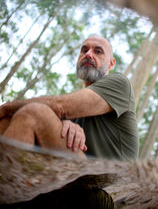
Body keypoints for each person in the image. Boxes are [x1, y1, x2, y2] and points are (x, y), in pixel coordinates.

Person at [0, 35, 138, 160]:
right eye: (84, 50)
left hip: (109, 184)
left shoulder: (119, 83)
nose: (88, 54)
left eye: (98, 51)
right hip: (73, 173)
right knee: (7, 122)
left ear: (111, 64)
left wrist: (5, 108)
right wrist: (64, 124)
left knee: (34, 113)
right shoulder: (75, 108)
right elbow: (59, 112)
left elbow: (60, 106)